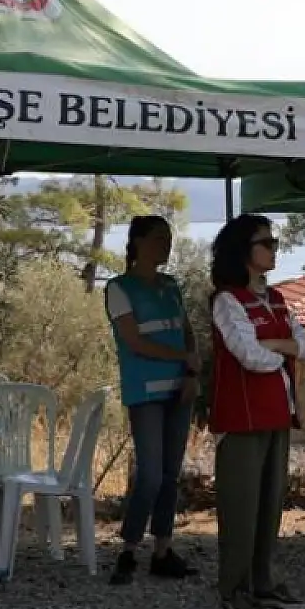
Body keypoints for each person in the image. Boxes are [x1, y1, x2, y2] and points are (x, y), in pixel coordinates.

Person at [207, 214, 305, 609]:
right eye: (265, 242)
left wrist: (278, 344)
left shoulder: (278, 299)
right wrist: (282, 349)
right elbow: (248, 355)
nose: (273, 249)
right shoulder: (226, 300)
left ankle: (263, 582)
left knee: (269, 505)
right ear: (243, 251)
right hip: (241, 417)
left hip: (276, 415)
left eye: (274, 241)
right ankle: (232, 589)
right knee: (240, 507)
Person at [105, 216, 200, 586]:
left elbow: (187, 332)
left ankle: (163, 548)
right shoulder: (118, 288)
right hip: (145, 393)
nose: (167, 244)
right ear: (138, 242)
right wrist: (182, 360)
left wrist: (191, 374)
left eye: (169, 238)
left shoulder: (171, 285)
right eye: (159, 238)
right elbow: (135, 342)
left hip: (179, 391)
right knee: (149, 474)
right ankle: (128, 547)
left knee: (170, 474)